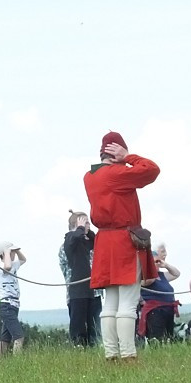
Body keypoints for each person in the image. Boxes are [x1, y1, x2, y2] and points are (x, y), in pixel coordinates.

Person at [83, 131, 160, 362]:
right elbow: (151, 170)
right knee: (128, 302)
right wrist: (128, 156)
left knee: (111, 303)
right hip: (124, 241)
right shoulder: (117, 173)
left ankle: (111, 354)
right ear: (115, 152)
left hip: (104, 242)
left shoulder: (89, 176)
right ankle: (128, 355)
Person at [62, 211, 100, 347]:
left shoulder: (84, 241)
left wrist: (87, 231)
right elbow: (73, 240)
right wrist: (80, 228)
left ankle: (91, 349)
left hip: (90, 291)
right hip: (76, 292)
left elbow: (95, 241)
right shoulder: (70, 239)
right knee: (78, 328)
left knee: (93, 328)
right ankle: (78, 348)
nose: (88, 225)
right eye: (85, 222)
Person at [139, 242, 180, 343]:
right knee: (157, 338)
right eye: (155, 262)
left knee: (168, 337)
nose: (157, 263)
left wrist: (165, 265)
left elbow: (176, 274)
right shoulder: (145, 277)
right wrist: (150, 267)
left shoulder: (162, 275)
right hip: (155, 311)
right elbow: (149, 281)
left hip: (168, 310)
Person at [0, 241, 27, 355]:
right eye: (11, 252)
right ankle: (18, 362)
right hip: (6, 305)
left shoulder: (14, 264)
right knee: (19, 337)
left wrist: (17, 250)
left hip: (13, 305)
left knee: (5, 340)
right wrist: (7, 252)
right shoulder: (0, 266)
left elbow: (23, 260)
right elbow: (7, 266)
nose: (13, 254)